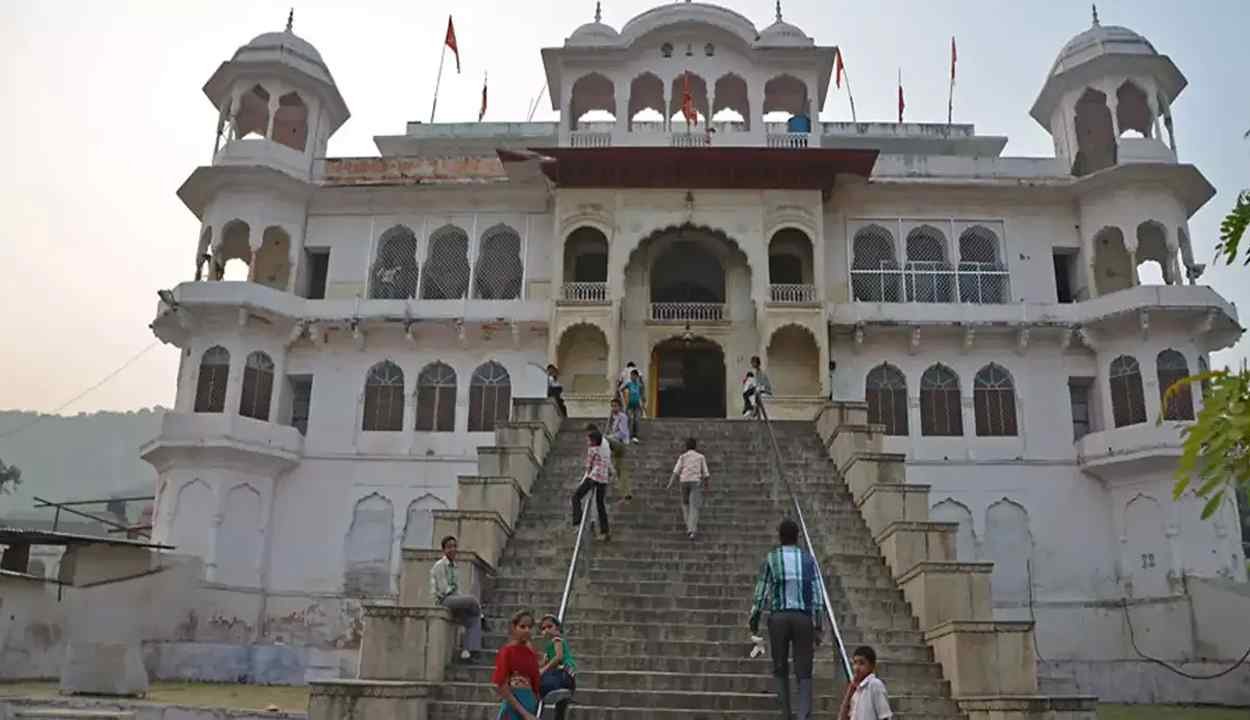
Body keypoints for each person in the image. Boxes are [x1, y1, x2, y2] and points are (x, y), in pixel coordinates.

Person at [748, 518, 825, 720]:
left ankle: (785, 714)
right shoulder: (809, 560)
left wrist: (754, 622)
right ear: (798, 537)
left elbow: (761, 594)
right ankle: (803, 715)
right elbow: (817, 596)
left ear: (780, 537)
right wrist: (818, 625)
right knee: (804, 669)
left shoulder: (771, 559)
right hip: (803, 618)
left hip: (779, 618)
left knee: (780, 667)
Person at [429, 535, 484, 661]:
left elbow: (457, 589)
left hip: (453, 599)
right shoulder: (439, 565)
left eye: (454, 546)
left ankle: (468, 650)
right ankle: (482, 617)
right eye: (449, 547)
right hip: (443, 600)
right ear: (443, 550)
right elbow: (443, 590)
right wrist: (459, 597)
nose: (453, 549)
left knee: (473, 617)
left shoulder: (455, 567)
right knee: (472, 600)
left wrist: (459, 598)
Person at [493, 609, 541, 720]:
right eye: (522, 626)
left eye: (530, 627)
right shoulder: (507, 651)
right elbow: (501, 685)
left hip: (530, 705)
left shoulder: (531, 653)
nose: (526, 630)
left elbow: (536, 684)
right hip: (513, 707)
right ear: (514, 628)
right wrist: (524, 713)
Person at [571, 427, 611, 541]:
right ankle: (605, 531)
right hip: (603, 478)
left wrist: (585, 479)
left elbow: (588, 466)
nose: (587, 442)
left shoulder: (592, 449)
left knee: (576, 497)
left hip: (594, 477)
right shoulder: (604, 447)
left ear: (593, 441)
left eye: (588, 439)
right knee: (600, 504)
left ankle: (577, 523)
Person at [667, 437, 710, 539]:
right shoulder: (700, 457)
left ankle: (689, 527)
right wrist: (707, 484)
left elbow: (676, 472)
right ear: (695, 446)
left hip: (684, 481)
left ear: (686, 446)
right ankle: (692, 530)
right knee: (694, 506)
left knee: (685, 505)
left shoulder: (683, 457)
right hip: (695, 481)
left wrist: (670, 483)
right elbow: (706, 473)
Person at [537, 614, 577, 720]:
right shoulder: (548, 646)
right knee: (560, 708)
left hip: (565, 672)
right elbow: (544, 661)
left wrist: (543, 670)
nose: (546, 630)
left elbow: (559, 657)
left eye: (550, 627)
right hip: (562, 676)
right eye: (543, 628)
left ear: (558, 628)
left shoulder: (557, 639)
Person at [839, 645, 893, 720]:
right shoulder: (856, 690)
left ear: (872, 666)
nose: (857, 668)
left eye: (861, 663)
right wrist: (850, 691)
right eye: (855, 663)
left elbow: (885, 716)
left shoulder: (874, 684)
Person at [606, 398, 633, 501]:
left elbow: (623, 433)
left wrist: (610, 436)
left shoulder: (622, 417)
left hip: (620, 444)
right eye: (612, 406)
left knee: (602, 439)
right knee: (620, 470)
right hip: (615, 447)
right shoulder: (613, 417)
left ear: (620, 407)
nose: (613, 408)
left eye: (615, 406)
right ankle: (626, 493)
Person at [623, 368, 645, 442]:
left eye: (633, 376)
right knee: (629, 419)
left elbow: (642, 395)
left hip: (637, 405)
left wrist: (643, 404)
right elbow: (620, 389)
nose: (632, 377)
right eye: (631, 376)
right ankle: (626, 434)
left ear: (636, 376)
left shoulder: (640, 385)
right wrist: (624, 399)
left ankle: (635, 435)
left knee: (636, 420)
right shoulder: (629, 384)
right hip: (629, 404)